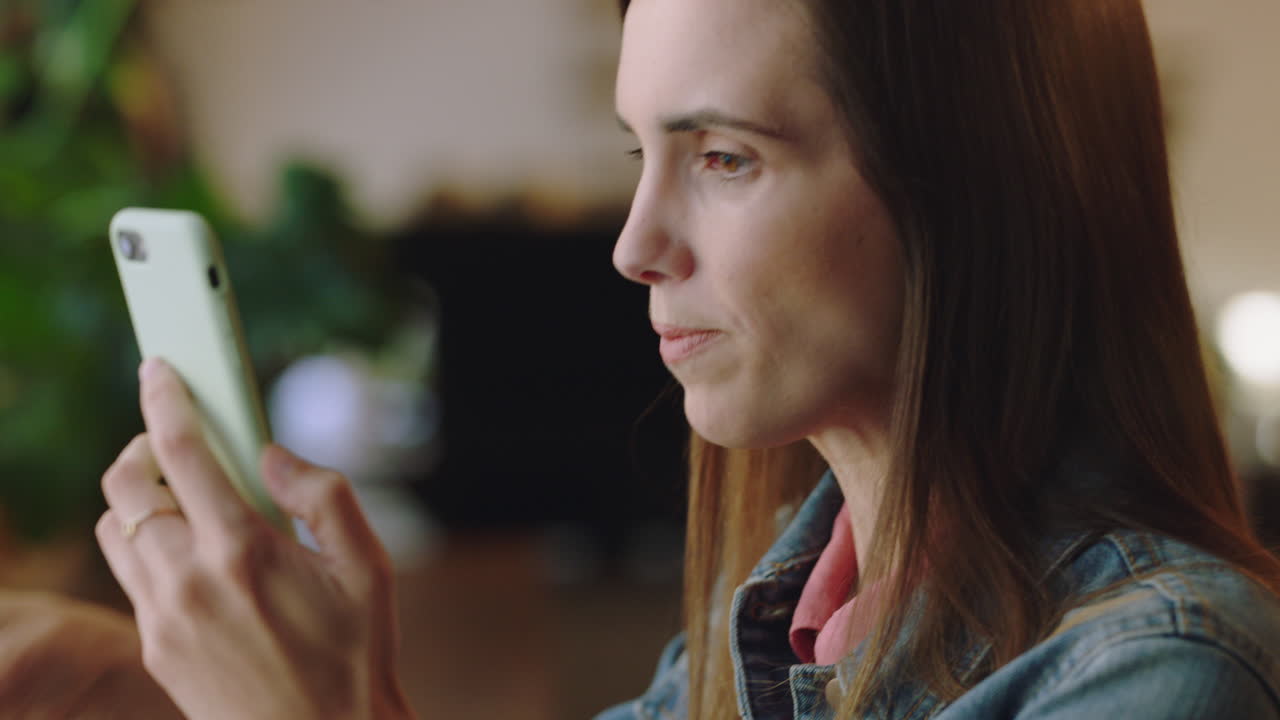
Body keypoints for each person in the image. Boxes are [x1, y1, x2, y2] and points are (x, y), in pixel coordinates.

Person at [48, 0, 1280, 718]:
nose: (635, 246)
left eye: (724, 158)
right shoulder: (768, 630)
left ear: (977, 193)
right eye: (638, 152)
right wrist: (142, 673)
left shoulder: (1160, 677)